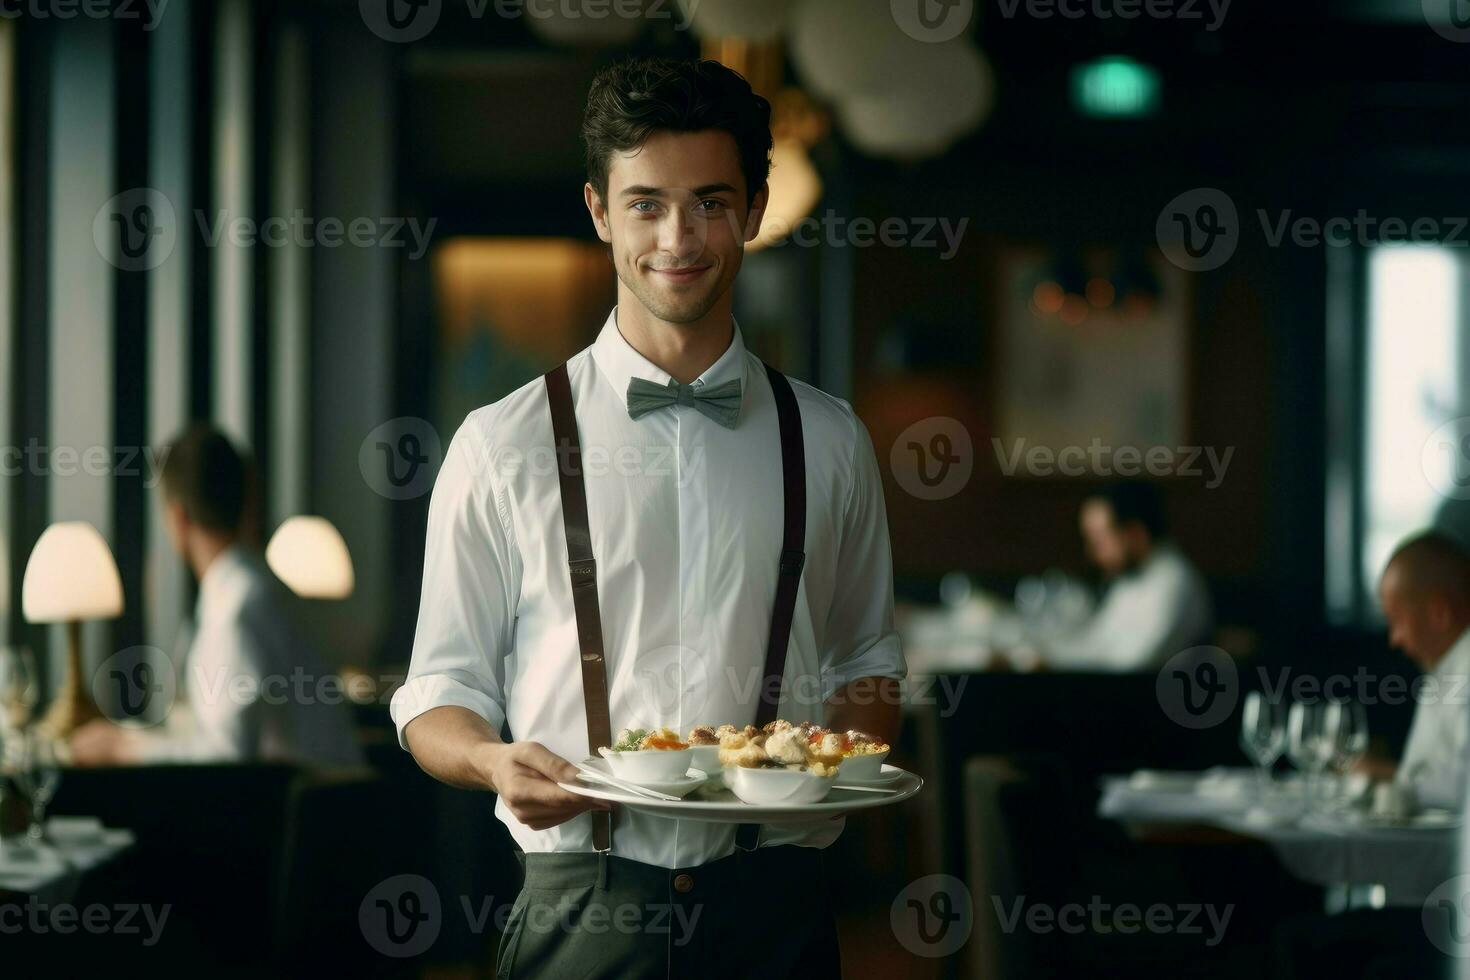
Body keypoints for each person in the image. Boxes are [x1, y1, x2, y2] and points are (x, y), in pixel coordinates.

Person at [391, 57, 905, 979]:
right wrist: (493, 761)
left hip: (777, 911)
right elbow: (437, 693)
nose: (680, 236)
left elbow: (868, 663)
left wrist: (834, 760)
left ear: (753, 210)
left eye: (711, 202)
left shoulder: (831, 441)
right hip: (581, 910)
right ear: (598, 211)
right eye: (646, 204)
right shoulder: (499, 444)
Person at [69, 423, 363, 770]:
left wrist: (124, 749)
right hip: (331, 805)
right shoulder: (264, 589)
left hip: (299, 815)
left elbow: (227, 754)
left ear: (177, 518)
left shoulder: (236, 609)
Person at [1037, 481, 1213, 671]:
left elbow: (1133, 662)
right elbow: (1096, 642)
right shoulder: (1130, 577)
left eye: (1099, 539)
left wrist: (1050, 660)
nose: (1091, 552)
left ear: (1135, 533)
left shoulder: (1174, 581)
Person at [1362, 531, 1470, 810]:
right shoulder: (1444, 668)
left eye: (1396, 621)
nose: (1393, 639)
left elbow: (1465, 786)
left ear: (1439, 614)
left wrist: (1384, 775)